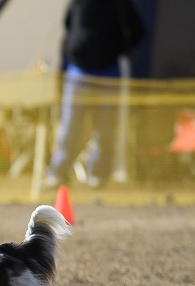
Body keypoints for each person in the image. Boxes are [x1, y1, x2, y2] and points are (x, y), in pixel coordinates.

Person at [46, 0, 144, 189]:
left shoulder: (119, 4)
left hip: (109, 71)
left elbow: (138, 31)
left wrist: (115, 50)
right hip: (78, 70)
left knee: (105, 128)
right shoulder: (77, 2)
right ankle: (57, 173)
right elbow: (68, 26)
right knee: (70, 127)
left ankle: (98, 175)